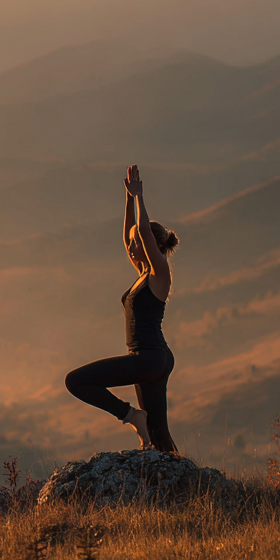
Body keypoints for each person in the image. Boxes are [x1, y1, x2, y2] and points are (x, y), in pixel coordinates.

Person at [65, 164, 179, 452]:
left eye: (135, 244)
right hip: (151, 359)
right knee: (158, 436)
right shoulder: (142, 273)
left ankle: (130, 416)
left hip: (150, 358)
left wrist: (140, 196)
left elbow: (141, 230)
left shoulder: (159, 273)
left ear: (149, 245)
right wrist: (128, 198)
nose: (130, 247)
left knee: (76, 381)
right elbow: (131, 231)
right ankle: (184, 487)